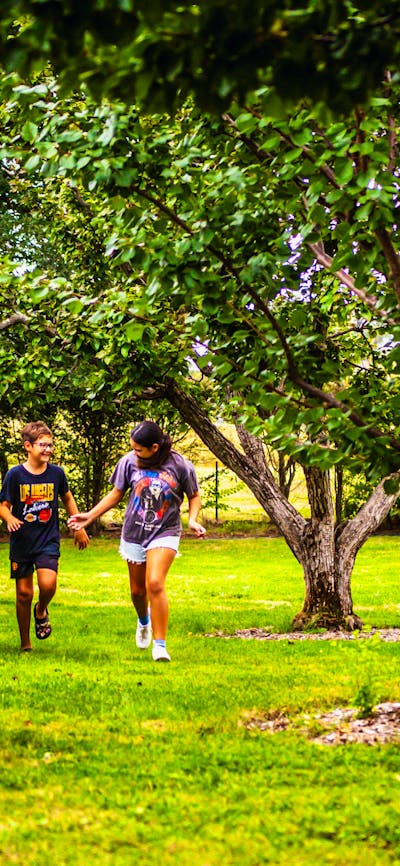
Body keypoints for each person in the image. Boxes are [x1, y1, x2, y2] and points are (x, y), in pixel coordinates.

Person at [68, 421, 206, 662]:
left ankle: (160, 646)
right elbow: (116, 494)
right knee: (137, 591)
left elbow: (194, 496)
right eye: (132, 448)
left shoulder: (180, 464)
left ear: (154, 447)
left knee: (154, 583)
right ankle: (144, 621)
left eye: (139, 449)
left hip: (166, 530)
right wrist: (89, 516)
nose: (134, 453)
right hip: (134, 532)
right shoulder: (129, 462)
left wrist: (192, 520)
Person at [0, 421, 89, 651]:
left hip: (47, 539)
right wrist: (9, 518)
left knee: (48, 585)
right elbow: (3, 505)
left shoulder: (56, 473)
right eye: (43, 445)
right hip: (22, 541)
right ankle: (25, 643)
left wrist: (78, 526)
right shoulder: (15, 474)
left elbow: (67, 498)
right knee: (23, 593)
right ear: (28, 446)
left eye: (50, 445)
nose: (48, 449)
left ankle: (41, 609)